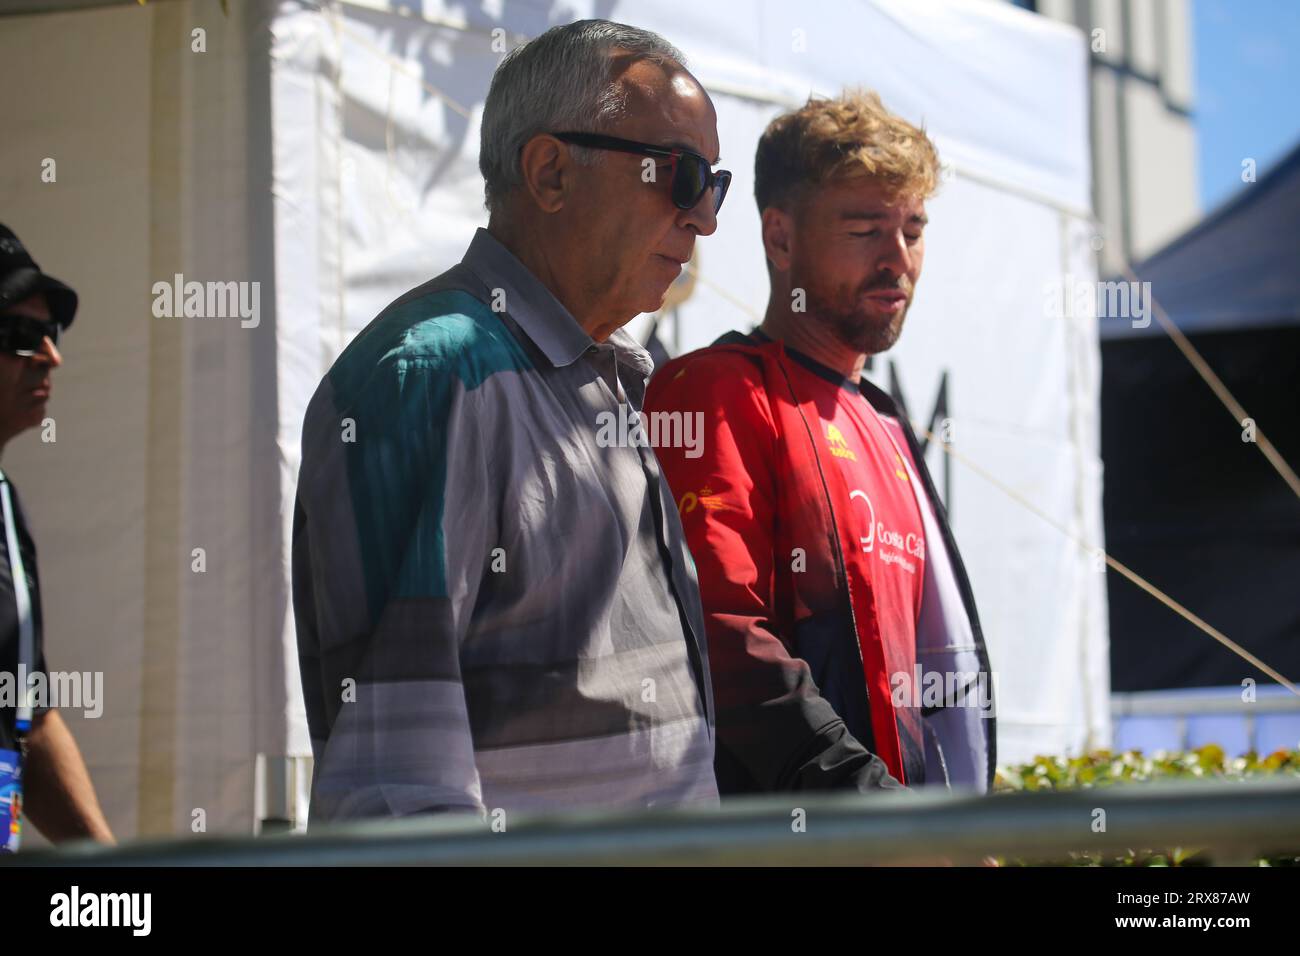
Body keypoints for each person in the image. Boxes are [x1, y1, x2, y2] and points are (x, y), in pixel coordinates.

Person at [293, 20, 732, 822]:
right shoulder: (433, 376)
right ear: (550, 172)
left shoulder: (607, 374)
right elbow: (399, 788)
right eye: (681, 174)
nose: (704, 218)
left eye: (716, 184)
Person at [645, 91, 995, 797]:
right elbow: (721, 633)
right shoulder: (715, 391)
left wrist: (954, 822)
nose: (899, 259)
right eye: (866, 230)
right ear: (779, 237)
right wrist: (870, 807)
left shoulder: (886, 422)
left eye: (914, 229)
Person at [0, 224, 114, 850]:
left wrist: (118, 880)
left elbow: (31, 719)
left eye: (52, 334)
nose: (50, 356)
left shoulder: (5, 502)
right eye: (21, 337)